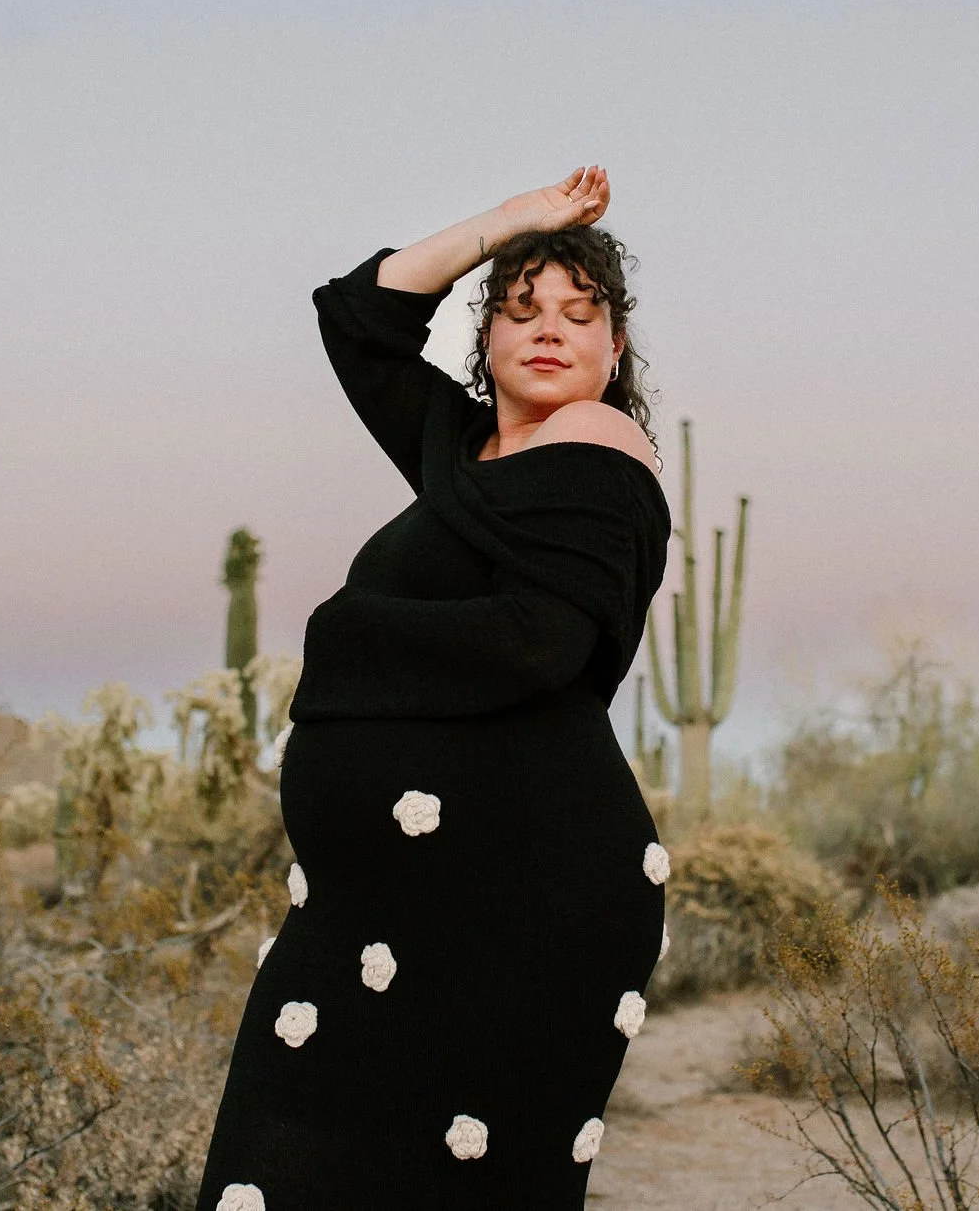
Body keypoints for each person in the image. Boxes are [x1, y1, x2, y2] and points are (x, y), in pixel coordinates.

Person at [195, 167, 674, 1209]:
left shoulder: (601, 452)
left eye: (580, 315)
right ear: (484, 338)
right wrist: (513, 221)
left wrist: (338, 633)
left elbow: (536, 643)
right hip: (375, 904)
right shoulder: (460, 456)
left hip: (525, 890)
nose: (549, 330)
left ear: (614, 352)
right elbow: (356, 317)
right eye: (521, 309)